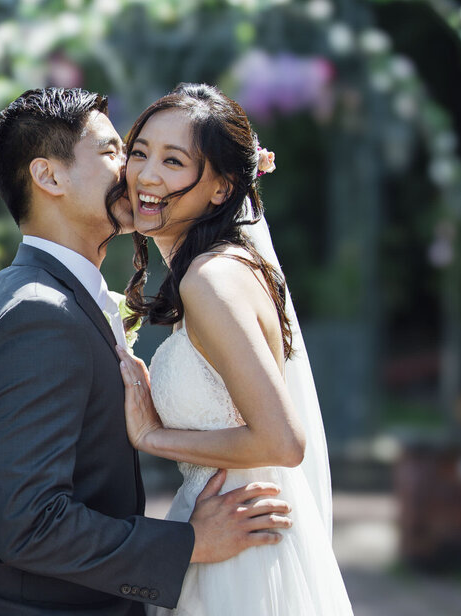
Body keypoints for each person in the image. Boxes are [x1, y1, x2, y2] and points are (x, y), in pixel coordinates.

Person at [0, 87, 293, 616]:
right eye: (117, 152)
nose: (133, 172)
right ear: (50, 177)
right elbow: (32, 524)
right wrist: (190, 543)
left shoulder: (45, 293)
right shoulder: (39, 314)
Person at [114, 83, 353, 615]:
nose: (145, 175)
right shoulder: (222, 268)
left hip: (242, 547)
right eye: (139, 152)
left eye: (173, 161)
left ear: (222, 189)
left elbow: (282, 441)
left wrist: (153, 436)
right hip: (226, 530)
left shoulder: (211, 280)